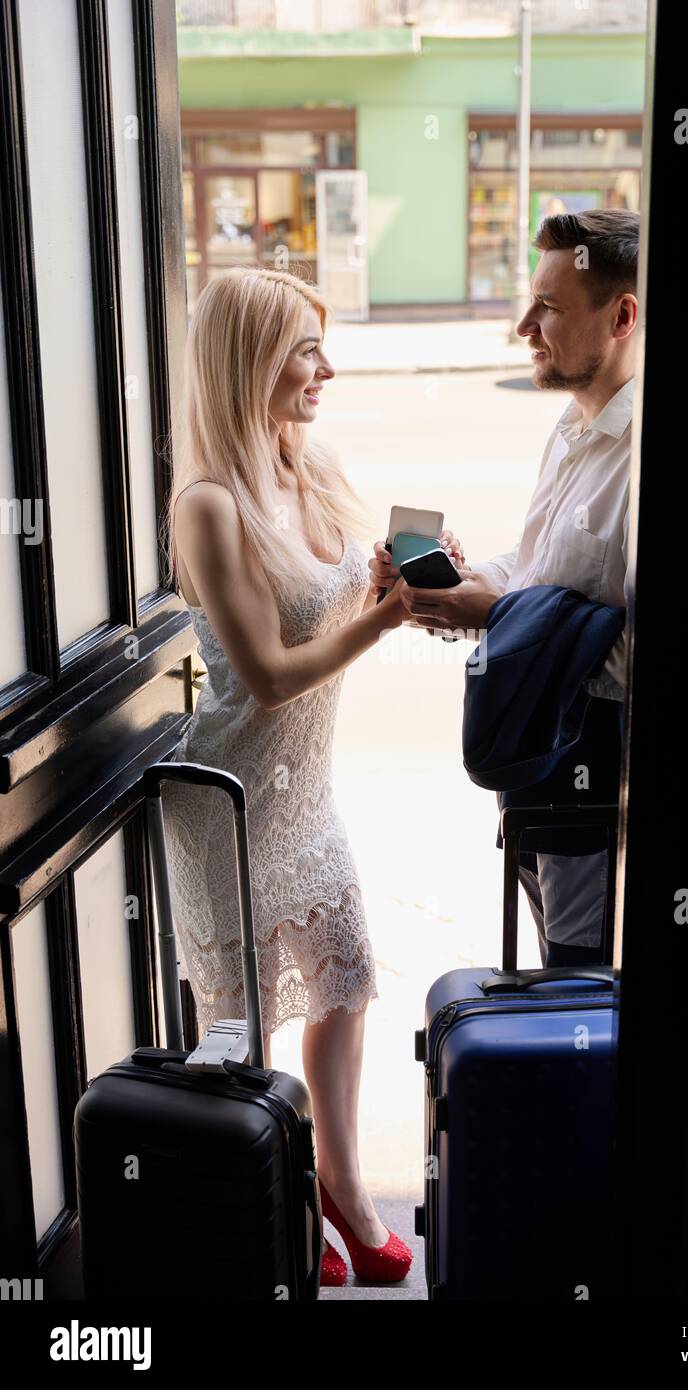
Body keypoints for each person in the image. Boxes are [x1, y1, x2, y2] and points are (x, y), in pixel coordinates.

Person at [161, 265, 461, 1286]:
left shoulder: (312, 463)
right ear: (248, 362)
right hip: (232, 798)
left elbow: (328, 596)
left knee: (344, 980)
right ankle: (274, 1193)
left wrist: (391, 577)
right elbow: (269, 676)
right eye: (304, 348)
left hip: (308, 791)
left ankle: (339, 1179)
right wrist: (382, 623)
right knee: (243, 1024)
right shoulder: (208, 505)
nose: (325, 368)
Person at [369, 209, 639, 968]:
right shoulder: (570, 427)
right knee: (552, 953)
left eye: (548, 307)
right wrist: (462, 583)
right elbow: (535, 567)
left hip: (596, 786)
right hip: (536, 771)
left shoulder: (647, 458)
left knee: (579, 983)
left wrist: (496, 614)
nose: (524, 325)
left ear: (622, 316)